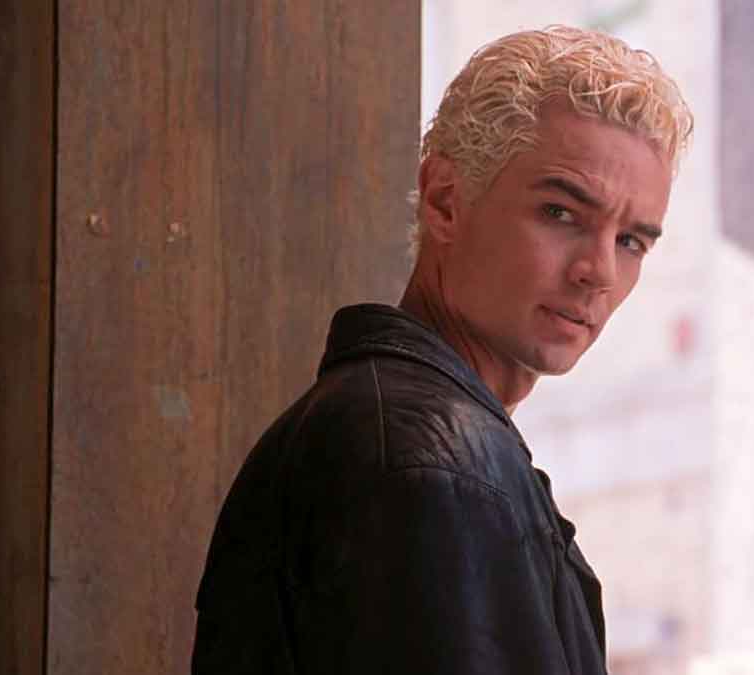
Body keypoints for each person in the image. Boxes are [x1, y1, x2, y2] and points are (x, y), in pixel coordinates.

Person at [191, 24, 692, 675]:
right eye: (561, 213)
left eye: (631, 242)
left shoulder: (414, 437)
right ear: (445, 201)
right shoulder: (432, 463)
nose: (598, 271)